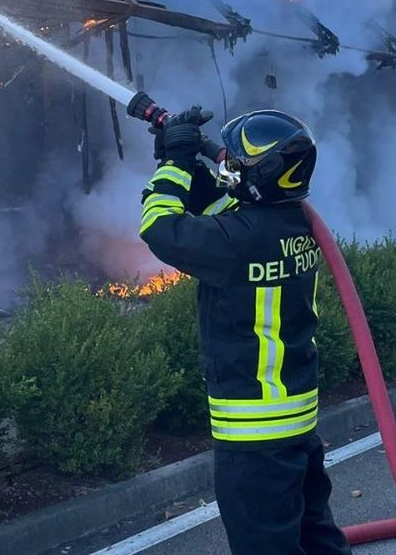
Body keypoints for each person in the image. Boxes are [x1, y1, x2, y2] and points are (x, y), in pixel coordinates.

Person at [136, 104, 352, 555]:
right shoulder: (293, 222)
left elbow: (160, 228)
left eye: (237, 162)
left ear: (262, 173)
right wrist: (192, 159)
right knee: (314, 533)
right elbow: (224, 203)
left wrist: (173, 165)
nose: (228, 167)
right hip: (295, 423)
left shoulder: (239, 241)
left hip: (254, 436)